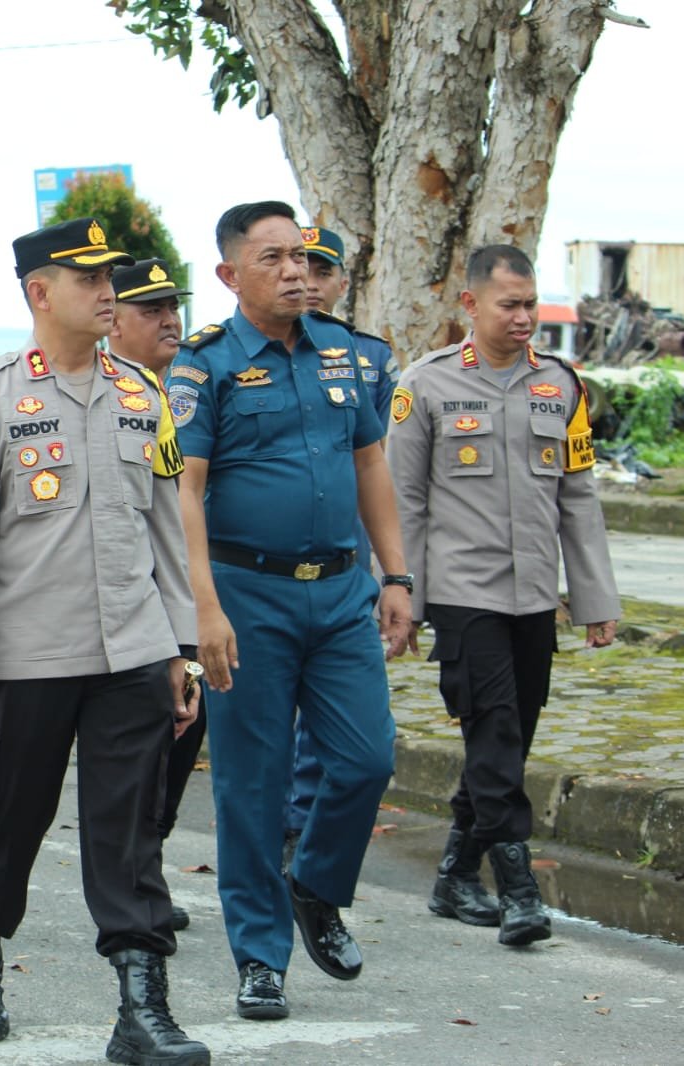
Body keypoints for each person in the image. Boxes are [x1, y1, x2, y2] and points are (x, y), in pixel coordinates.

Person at [0, 217, 207, 1065]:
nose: (106, 293)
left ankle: (142, 1007)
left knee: (129, 833)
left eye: (108, 279)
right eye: (87, 279)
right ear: (38, 292)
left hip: (132, 651)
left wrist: (180, 647)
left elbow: (165, 529)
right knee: (7, 822)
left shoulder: (142, 395)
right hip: (28, 657)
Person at [168, 201, 412, 1022]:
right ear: (229, 274)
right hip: (246, 596)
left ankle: (315, 884)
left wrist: (395, 575)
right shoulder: (204, 365)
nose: (294, 271)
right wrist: (203, 608)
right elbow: (184, 492)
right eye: (271, 258)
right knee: (252, 784)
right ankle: (258, 958)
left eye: (301, 256)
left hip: (340, 592)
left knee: (366, 758)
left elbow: (370, 464)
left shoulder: (344, 354)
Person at [386, 244, 619, 947]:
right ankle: (519, 890)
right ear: (470, 304)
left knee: (507, 742)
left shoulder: (559, 386)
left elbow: (578, 497)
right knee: (493, 732)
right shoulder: (425, 385)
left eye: (530, 304)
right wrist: (402, 596)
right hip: (464, 596)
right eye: (508, 305)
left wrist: (594, 599)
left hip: (533, 597)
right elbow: (402, 502)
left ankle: (455, 874)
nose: (523, 318)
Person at [281, 225, 403, 863]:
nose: (308, 281)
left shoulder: (368, 357)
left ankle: (307, 838)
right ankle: (281, 831)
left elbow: (375, 461)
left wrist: (395, 572)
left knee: (353, 734)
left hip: (346, 557)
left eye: (322, 270)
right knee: (271, 720)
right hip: (266, 565)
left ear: (343, 283)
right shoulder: (226, 356)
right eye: (296, 265)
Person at [106, 258, 200, 934]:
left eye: (173, 308)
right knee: (140, 754)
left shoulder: (183, 391)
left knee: (182, 740)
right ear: (111, 321)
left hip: (192, 601)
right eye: (151, 310)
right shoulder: (101, 395)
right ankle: (133, 885)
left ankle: (147, 868)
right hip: (127, 612)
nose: (170, 321)